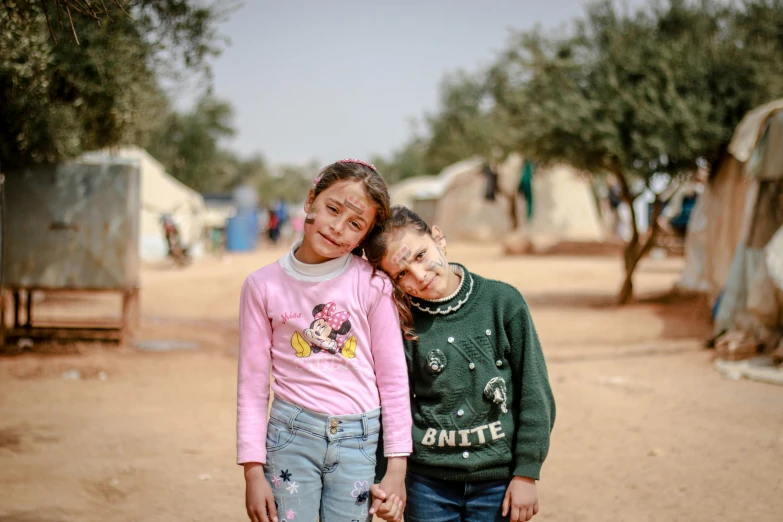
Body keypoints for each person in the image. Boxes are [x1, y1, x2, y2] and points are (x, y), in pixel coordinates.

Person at [237, 160, 411, 522]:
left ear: (364, 236)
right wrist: (253, 471)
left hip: (358, 442)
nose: (337, 228)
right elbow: (253, 385)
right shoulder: (262, 286)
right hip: (290, 439)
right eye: (333, 208)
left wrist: (396, 468)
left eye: (355, 224)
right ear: (311, 199)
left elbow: (393, 380)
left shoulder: (372, 285)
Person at [364, 206, 556, 522]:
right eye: (401, 274)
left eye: (420, 255)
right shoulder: (401, 324)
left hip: (498, 482)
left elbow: (535, 393)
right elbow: (391, 404)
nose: (419, 275)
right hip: (426, 486)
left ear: (438, 237)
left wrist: (526, 473)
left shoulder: (503, 302)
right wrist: (386, 475)